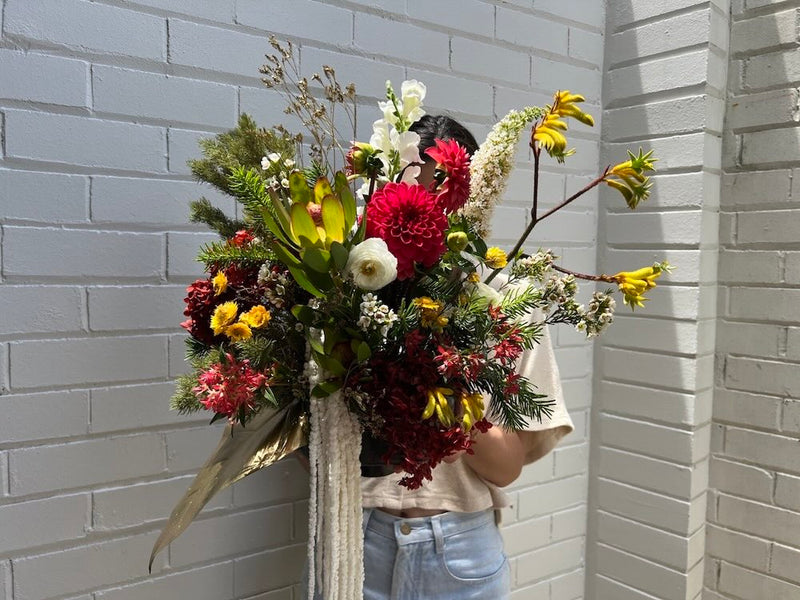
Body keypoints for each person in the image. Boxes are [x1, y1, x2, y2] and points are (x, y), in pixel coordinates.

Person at [306, 115, 574, 599]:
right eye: (410, 190)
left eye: (444, 193)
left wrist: (441, 389)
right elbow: (313, 441)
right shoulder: (348, 290)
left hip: (461, 552)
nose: (424, 211)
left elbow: (505, 467)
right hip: (355, 540)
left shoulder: (506, 300)